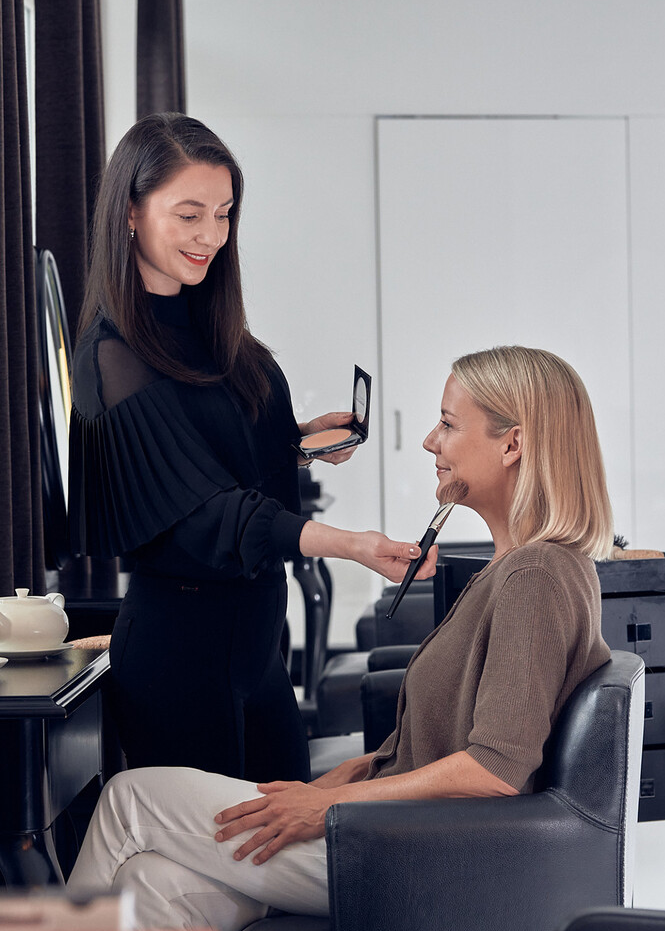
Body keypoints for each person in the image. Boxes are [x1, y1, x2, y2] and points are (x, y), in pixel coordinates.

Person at [67, 345, 617, 931]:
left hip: (407, 854)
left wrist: (326, 806)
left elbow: (493, 770)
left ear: (513, 445)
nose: (431, 441)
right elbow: (429, 746)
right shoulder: (518, 568)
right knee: (149, 884)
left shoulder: (535, 576)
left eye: (449, 425)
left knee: (128, 801)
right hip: (391, 835)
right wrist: (340, 779)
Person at [69, 112, 430, 785]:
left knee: (281, 863)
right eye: (189, 215)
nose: (211, 236)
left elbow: (206, 450)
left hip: (257, 641)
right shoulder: (110, 360)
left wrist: (296, 445)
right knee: (222, 873)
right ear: (129, 214)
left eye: (224, 213)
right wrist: (349, 544)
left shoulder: (211, 325)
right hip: (180, 653)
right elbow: (203, 512)